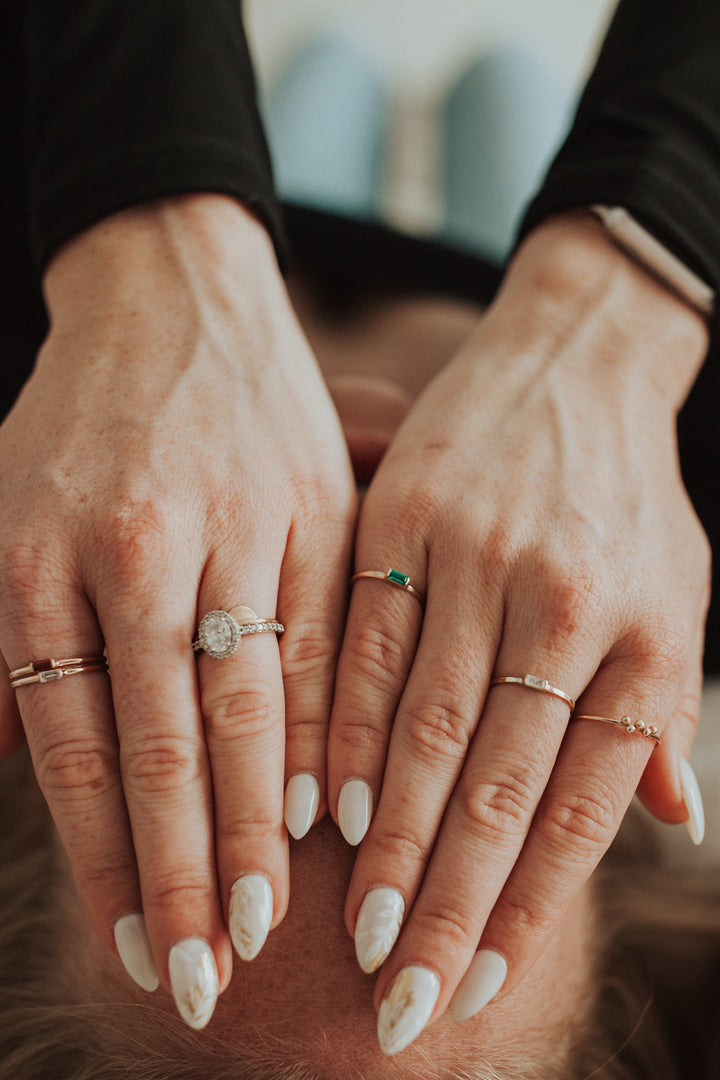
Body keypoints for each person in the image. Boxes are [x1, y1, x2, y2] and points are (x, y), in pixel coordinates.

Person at [0, 0, 717, 1056]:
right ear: (608, 825)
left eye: (227, 695)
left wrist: (144, 232)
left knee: (324, 81)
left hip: (247, 188)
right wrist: (620, 301)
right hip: (498, 263)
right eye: (457, 717)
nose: (365, 588)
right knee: (508, 91)